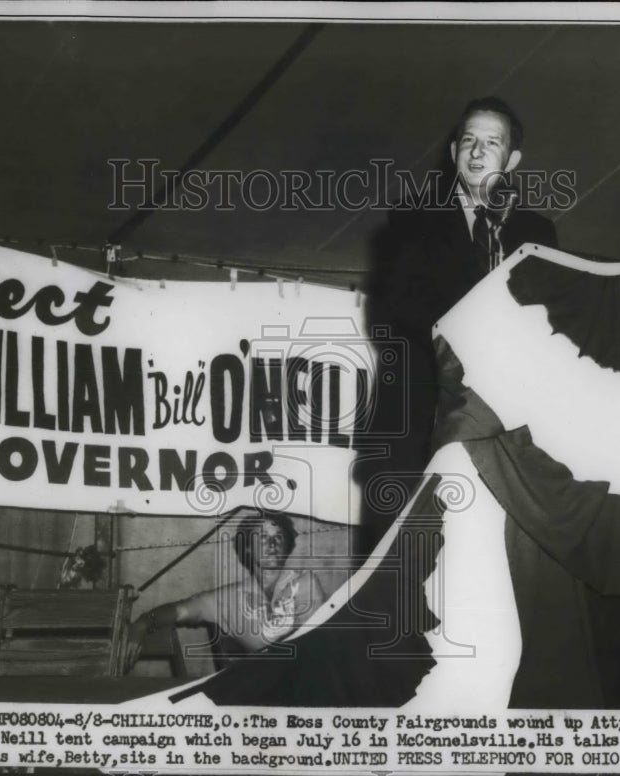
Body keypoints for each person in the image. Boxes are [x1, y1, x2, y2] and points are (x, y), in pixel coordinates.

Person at [360, 96, 558, 552]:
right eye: (467, 140)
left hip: (500, 429)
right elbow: (397, 312)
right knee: (401, 563)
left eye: (491, 143)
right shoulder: (411, 220)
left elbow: (546, 326)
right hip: (416, 423)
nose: (476, 152)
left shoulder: (537, 235)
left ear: (511, 160)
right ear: (453, 154)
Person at [125, 512, 325, 670]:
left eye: (279, 537)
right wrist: (143, 622)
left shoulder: (305, 583)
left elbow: (308, 647)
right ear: (247, 548)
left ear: (287, 545)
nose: (272, 544)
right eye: (263, 537)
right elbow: (180, 610)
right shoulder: (230, 598)